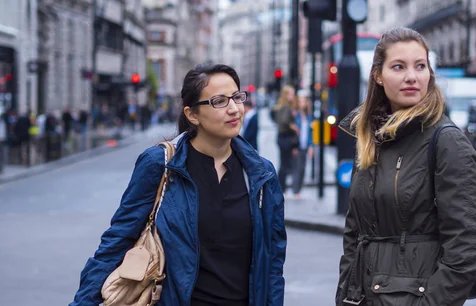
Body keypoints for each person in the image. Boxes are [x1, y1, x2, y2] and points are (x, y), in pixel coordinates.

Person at [70, 64, 287, 306]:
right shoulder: (160, 164)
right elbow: (117, 240)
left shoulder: (261, 173)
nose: (235, 109)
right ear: (192, 114)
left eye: (237, 97)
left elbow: (273, 263)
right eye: (219, 101)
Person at [335, 27, 476, 306]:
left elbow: (467, 245)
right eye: (398, 66)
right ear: (378, 76)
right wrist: (346, 289)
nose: (411, 76)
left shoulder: (447, 141)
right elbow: (355, 231)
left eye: (420, 66)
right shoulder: (371, 138)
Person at [273, 85, 299, 193]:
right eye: (291, 94)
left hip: (281, 138)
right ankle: (281, 188)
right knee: (285, 164)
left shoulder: (281, 106)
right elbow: (284, 121)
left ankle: (281, 187)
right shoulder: (285, 108)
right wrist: (294, 127)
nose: (293, 96)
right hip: (285, 138)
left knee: (284, 163)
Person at [291, 91, 314, 199]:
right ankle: (295, 190)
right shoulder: (295, 115)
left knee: (303, 168)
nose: (302, 103)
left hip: (305, 145)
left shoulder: (308, 115)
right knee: (297, 168)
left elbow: (310, 133)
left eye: (304, 101)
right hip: (297, 145)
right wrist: (294, 147)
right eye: (300, 101)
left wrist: (311, 146)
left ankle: (298, 189)